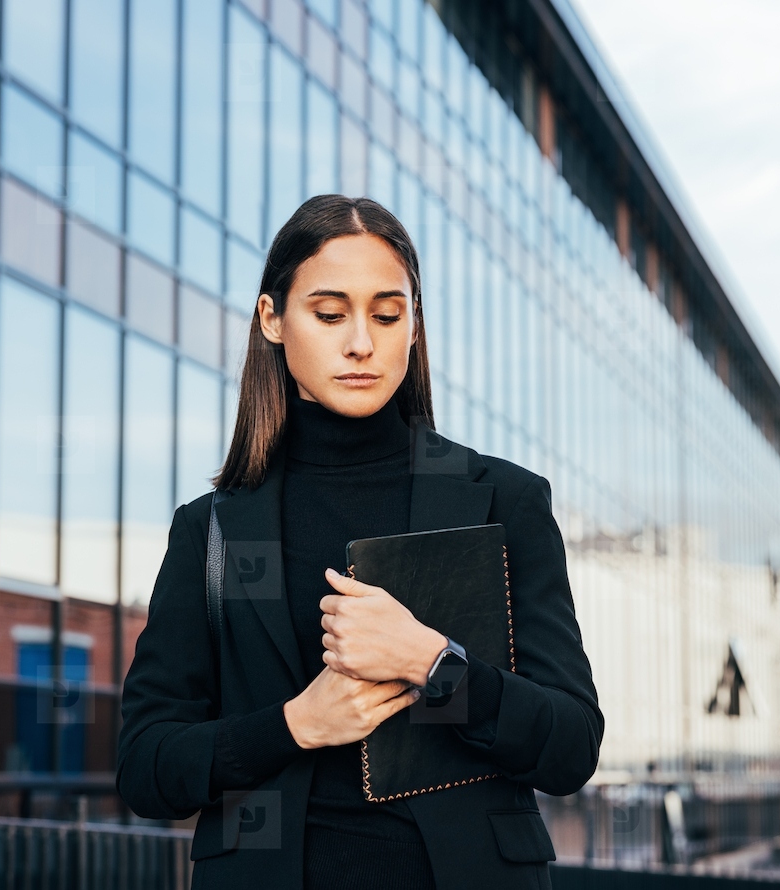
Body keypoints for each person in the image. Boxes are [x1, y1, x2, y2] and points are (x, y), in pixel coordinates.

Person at [116, 194, 604, 889]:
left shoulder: (505, 500)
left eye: (386, 313)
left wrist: (434, 665)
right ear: (273, 319)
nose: (361, 343)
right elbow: (146, 768)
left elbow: (571, 747)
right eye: (329, 312)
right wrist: (295, 725)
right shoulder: (211, 529)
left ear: (413, 326)